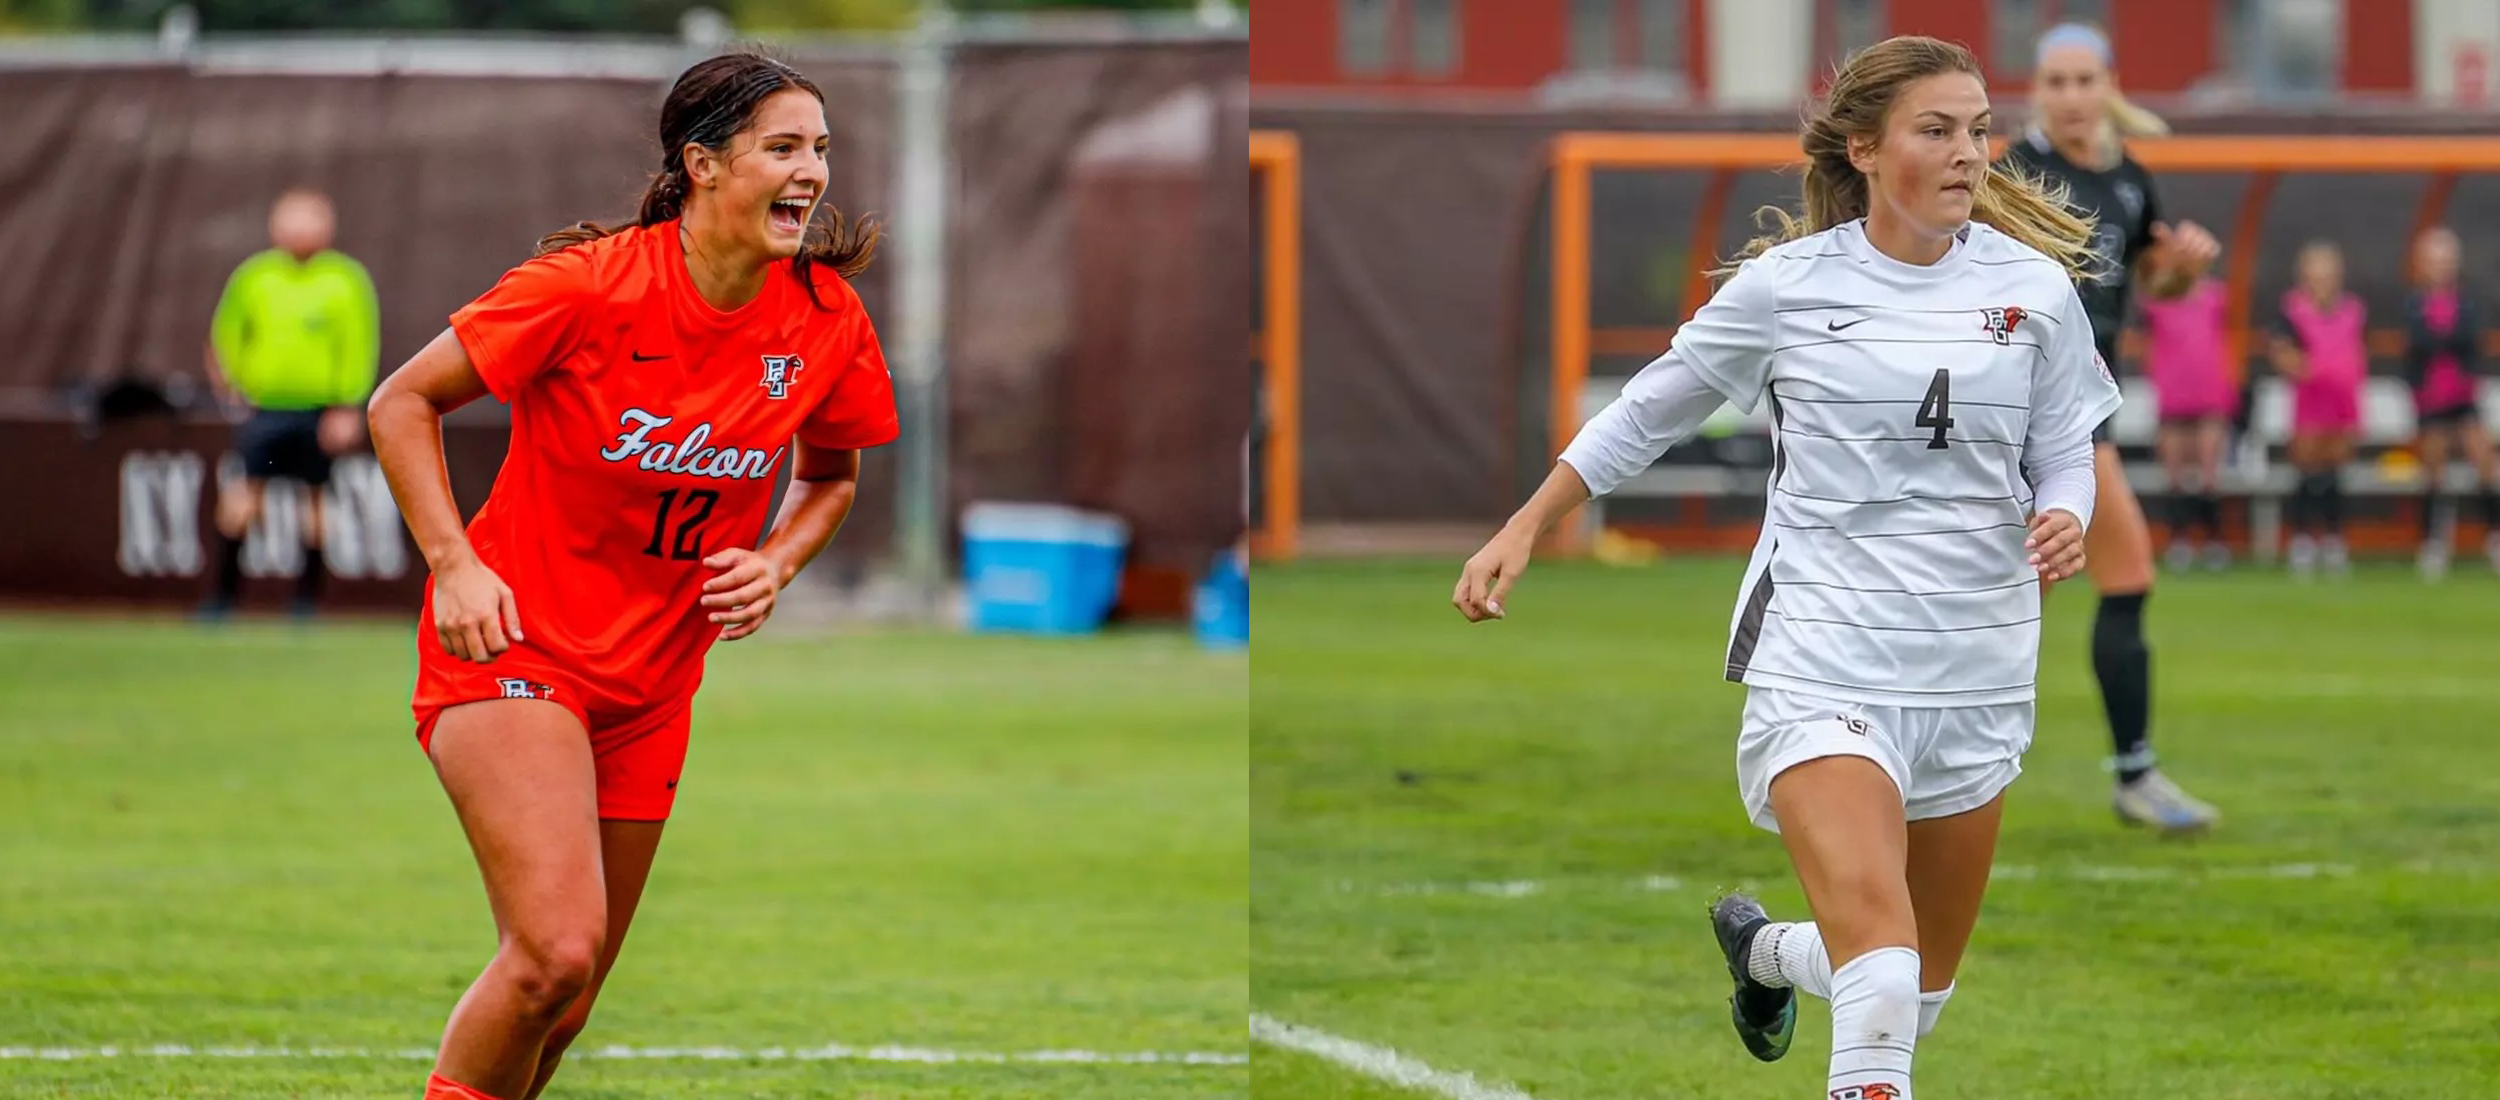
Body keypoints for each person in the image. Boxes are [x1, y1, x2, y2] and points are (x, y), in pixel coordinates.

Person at [1453, 36, 2113, 1100]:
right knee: (1885, 981)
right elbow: (1648, 408)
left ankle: (1763, 952)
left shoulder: (2032, 289)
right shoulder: (1789, 287)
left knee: (1916, 988)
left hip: (1979, 664)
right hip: (1826, 655)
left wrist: (2064, 512)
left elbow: (2063, 443)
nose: (1967, 154)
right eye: (1936, 130)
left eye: (1979, 131)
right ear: (1864, 146)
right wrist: (1526, 524)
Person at [363, 52, 896, 1100]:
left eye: (821, 149)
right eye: (783, 147)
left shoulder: (825, 319)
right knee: (553, 949)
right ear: (702, 164)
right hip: (513, 647)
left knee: (568, 999)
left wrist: (777, 559)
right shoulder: (588, 286)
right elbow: (400, 403)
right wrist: (454, 563)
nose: (812, 172)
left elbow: (830, 476)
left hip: (652, 688)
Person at [1997, 22, 2221, 833]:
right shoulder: (2011, 172)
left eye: (2083, 80)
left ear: (2108, 86)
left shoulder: (2130, 180)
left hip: (2083, 421)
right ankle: (1924, 765)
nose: (2069, 96)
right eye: (2054, 82)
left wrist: (2183, 268)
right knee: (1996, 597)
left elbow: (2151, 284)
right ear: (2037, 91)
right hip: (2007, 422)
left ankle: (2135, 777)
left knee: (2126, 581)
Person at [201, 187, 379, 617]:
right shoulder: (254, 276)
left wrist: (347, 406)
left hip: (320, 411)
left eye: (310, 218)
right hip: (265, 411)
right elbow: (225, 336)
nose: (300, 227)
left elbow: (359, 346)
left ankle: (305, 603)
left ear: (328, 225)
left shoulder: (346, 279)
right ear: (274, 224)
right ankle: (223, 600)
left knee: (316, 503)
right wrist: (229, 383)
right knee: (243, 498)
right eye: (291, 218)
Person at [2402, 226, 2500, 578]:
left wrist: (2443, 341)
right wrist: (2443, 341)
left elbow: (2467, 340)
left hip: (2463, 396)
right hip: (2430, 399)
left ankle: (2494, 538)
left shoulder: (2468, 301)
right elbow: (2420, 343)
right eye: (2433, 259)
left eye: (2445, 259)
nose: (2440, 266)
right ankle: (2433, 543)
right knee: (2434, 469)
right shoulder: (2413, 303)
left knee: (2485, 461)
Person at [2270, 240, 2366, 578]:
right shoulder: (2291, 311)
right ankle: (2302, 540)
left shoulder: (2353, 309)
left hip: (2343, 402)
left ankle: (2334, 539)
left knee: (2335, 474)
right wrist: (2312, 370)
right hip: (2310, 401)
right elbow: (2282, 354)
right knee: (2308, 473)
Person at [2138, 269, 2234, 570]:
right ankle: (2179, 540)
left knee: (2209, 473)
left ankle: (2214, 541)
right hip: (2173, 395)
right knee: (2175, 475)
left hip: (2209, 394)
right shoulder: (2157, 300)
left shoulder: (2216, 297)